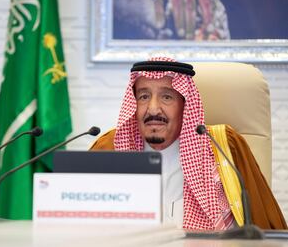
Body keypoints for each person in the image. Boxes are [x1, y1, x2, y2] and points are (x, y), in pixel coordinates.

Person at [90, 56, 287, 230]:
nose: (153, 109)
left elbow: (264, 224)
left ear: (185, 105)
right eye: (143, 96)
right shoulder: (109, 148)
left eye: (167, 97)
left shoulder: (224, 146)